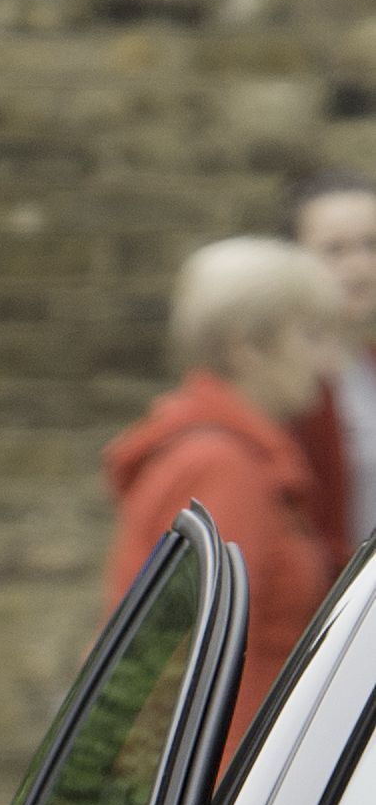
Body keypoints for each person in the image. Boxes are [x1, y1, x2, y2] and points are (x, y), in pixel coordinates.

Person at [102, 236, 340, 760]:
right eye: (310, 335)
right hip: (229, 780)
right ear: (245, 346)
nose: (325, 363)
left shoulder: (235, 455)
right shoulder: (225, 467)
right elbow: (193, 662)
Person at [286, 169, 376, 574]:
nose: (359, 266)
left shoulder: (368, 365)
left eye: (372, 246)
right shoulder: (283, 386)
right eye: (334, 250)